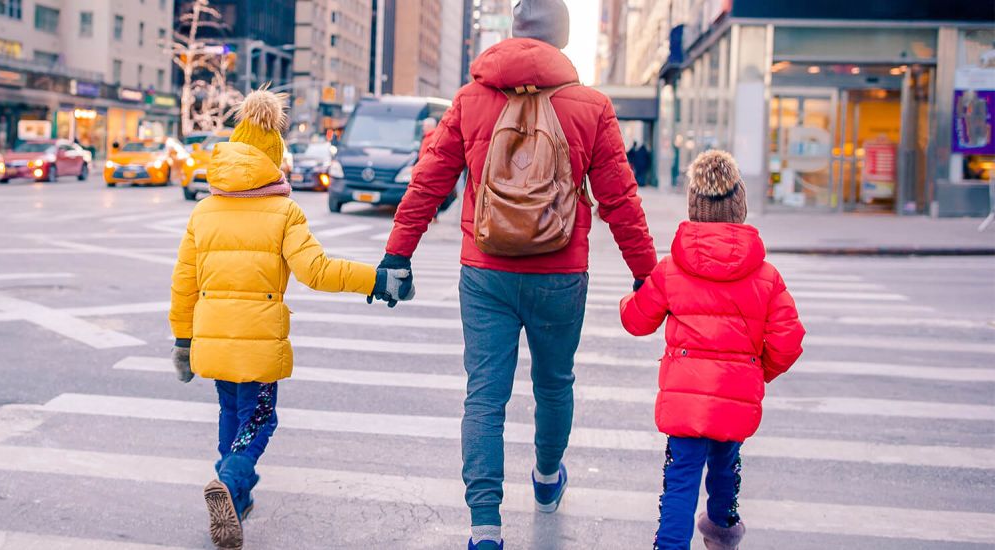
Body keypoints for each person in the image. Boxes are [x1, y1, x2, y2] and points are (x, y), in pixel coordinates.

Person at [377, 0, 656, 547]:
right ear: (563, 40)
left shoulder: (470, 98)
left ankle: (485, 525)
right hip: (561, 273)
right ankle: (548, 480)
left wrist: (397, 255)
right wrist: (647, 273)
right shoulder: (591, 106)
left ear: (514, 32)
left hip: (485, 273)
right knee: (554, 385)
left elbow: (429, 183)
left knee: (484, 396)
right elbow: (620, 199)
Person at [168, 87, 413, 550]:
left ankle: (235, 499)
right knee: (260, 418)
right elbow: (316, 272)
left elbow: (183, 282)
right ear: (274, 159)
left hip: (213, 341)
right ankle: (232, 478)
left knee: (231, 411)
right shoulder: (284, 212)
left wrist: (182, 341)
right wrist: (377, 281)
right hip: (258, 342)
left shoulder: (203, 212)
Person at [619, 150, 805, 550]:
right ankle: (721, 533)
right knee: (725, 466)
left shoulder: (670, 269)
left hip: (684, 403)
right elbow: (790, 340)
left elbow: (637, 321)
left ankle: (669, 544)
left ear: (694, 207)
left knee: (680, 479)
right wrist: (758, 370)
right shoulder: (766, 277)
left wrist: (631, 297)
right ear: (740, 206)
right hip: (735, 395)